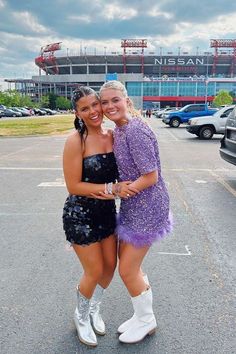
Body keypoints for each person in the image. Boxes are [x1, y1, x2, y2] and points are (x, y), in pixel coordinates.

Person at [62, 86, 137, 347]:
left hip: (106, 211)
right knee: (93, 270)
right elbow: (74, 186)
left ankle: (94, 308)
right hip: (80, 215)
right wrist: (112, 189)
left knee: (110, 267)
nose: (93, 111)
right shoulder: (75, 141)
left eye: (95, 105)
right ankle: (81, 315)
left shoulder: (113, 135)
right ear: (77, 113)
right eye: (85, 108)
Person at [99, 80, 173, 344]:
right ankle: (141, 314)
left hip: (149, 206)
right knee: (131, 266)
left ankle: (146, 319)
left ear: (126, 100)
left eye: (114, 100)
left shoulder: (134, 131)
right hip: (134, 206)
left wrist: (118, 191)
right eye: (105, 102)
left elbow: (150, 176)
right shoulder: (120, 129)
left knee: (128, 269)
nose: (110, 106)